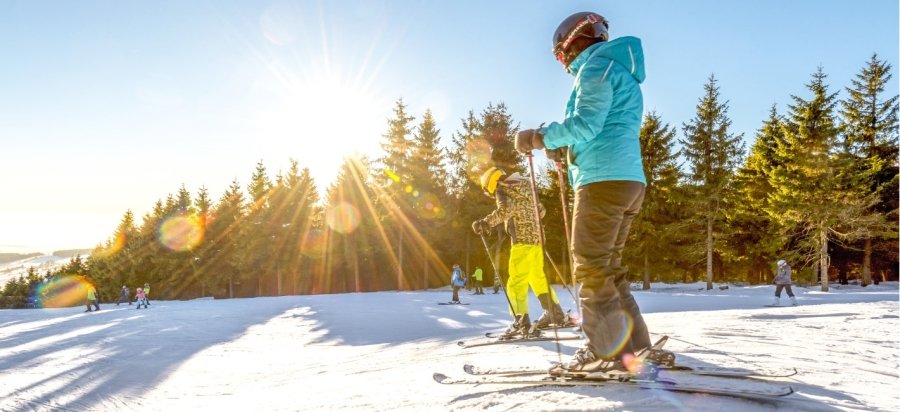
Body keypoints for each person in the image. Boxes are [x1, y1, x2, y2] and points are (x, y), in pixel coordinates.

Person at [514, 11, 660, 376]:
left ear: (572, 41)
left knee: (592, 268)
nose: (562, 63)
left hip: (602, 182)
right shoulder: (618, 70)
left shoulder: (596, 69)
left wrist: (539, 136)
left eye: (560, 54)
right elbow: (604, 126)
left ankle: (606, 352)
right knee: (609, 268)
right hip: (627, 180)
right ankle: (635, 345)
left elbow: (587, 124)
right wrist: (566, 149)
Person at [472, 167, 570, 338]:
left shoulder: (502, 189)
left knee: (516, 282)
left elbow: (505, 211)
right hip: (538, 241)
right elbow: (542, 210)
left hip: (522, 243)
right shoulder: (525, 186)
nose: (492, 194)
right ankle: (554, 313)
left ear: (491, 183)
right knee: (537, 278)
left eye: (490, 191)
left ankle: (521, 322)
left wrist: (485, 223)